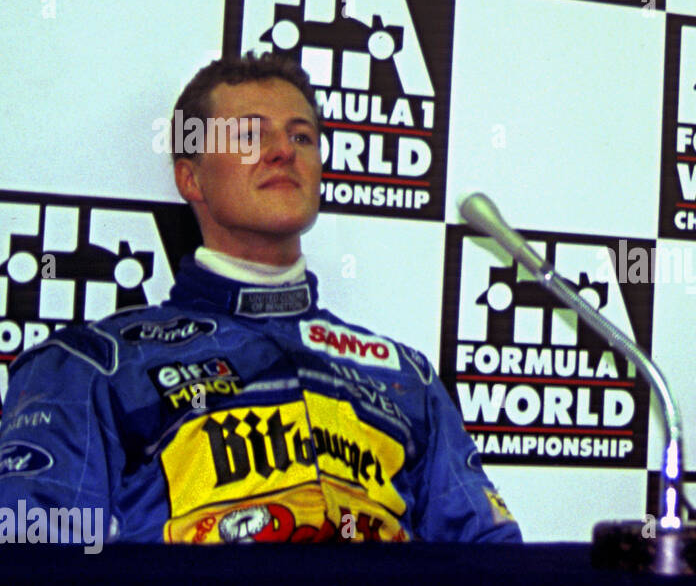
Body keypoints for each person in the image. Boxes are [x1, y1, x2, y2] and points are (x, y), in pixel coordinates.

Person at [0, 53, 521, 544]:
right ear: (190, 176)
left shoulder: (405, 375)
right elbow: (39, 579)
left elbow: (493, 569)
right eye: (250, 135)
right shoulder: (94, 365)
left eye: (302, 136)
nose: (282, 151)